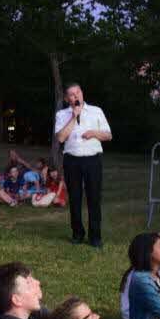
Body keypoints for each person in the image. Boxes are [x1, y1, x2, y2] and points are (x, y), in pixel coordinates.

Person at [54, 83, 112, 248]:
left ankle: (95, 237)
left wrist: (94, 133)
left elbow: (108, 135)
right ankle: (77, 234)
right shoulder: (62, 114)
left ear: (82, 93)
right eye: (71, 94)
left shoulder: (96, 111)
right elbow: (61, 138)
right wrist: (74, 116)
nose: (76, 96)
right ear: (67, 99)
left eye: (78, 92)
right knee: (75, 197)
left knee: (94, 197)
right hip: (72, 160)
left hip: (92, 159)